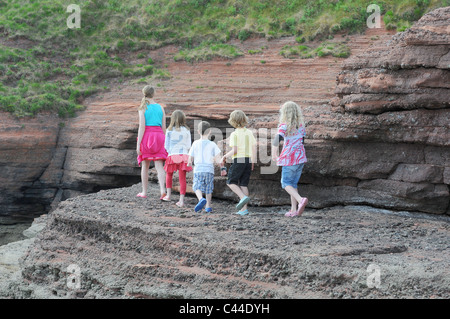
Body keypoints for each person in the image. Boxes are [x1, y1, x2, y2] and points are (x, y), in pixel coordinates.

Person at [272, 101, 308, 217]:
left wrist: (274, 154)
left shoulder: (284, 125)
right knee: (293, 184)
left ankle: (300, 200)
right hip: (300, 159)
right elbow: (302, 142)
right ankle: (294, 210)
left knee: (285, 183)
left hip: (289, 159)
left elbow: (277, 140)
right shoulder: (301, 126)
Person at [221, 110, 257, 216]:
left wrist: (225, 156)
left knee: (230, 182)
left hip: (239, 159)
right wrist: (253, 161)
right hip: (248, 160)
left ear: (232, 121)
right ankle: (244, 210)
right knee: (243, 184)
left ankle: (243, 197)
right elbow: (254, 148)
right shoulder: (249, 132)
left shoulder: (234, 134)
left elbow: (235, 151)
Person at [136, 85, 168, 200]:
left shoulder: (143, 107)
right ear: (153, 94)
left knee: (145, 165)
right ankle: (163, 191)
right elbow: (164, 127)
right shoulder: (160, 107)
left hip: (147, 136)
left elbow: (142, 127)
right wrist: (166, 142)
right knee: (159, 165)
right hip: (159, 136)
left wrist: (138, 144)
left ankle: (144, 192)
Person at [187, 121, 225, 213]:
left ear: (198, 131)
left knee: (197, 186)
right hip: (209, 170)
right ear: (210, 131)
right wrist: (222, 168)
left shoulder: (195, 143)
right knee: (208, 188)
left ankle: (200, 199)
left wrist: (189, 164)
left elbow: (190, 157)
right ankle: (208, 206)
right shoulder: (212, 144)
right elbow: (218, 158)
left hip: (198, 169)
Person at [163, 110, 192, 207]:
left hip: (172, 154)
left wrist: (170, 152)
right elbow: (189, 145)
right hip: (184, 155)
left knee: (169, 175)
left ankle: (168, 195)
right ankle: (181, 200)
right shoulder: (187, 130)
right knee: (182, 178)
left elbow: (166, 145)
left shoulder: (169, 130)